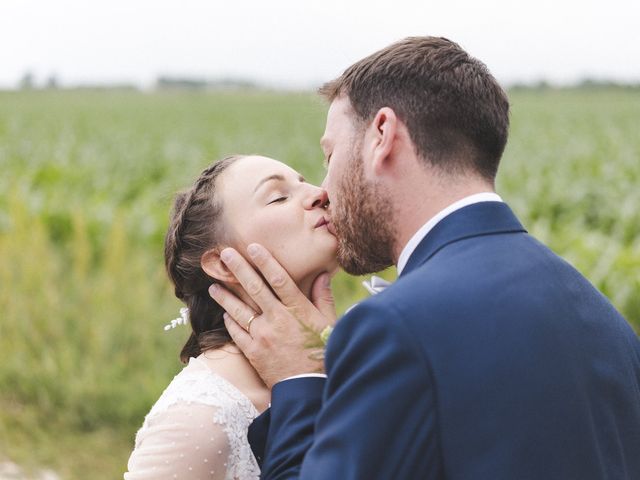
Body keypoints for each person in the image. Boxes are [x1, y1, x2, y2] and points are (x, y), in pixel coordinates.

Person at [209, 37, 640, 479]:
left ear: (382, 135)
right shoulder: (603, 317)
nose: (323, 190)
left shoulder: (396, 327)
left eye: (330, 155)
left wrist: (299, 381)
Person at [124, 154, 338, 480]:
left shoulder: (348, 363)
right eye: (279, 197)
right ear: (223, 264)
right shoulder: (199, 418)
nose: (318, 193)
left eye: (304, 181)